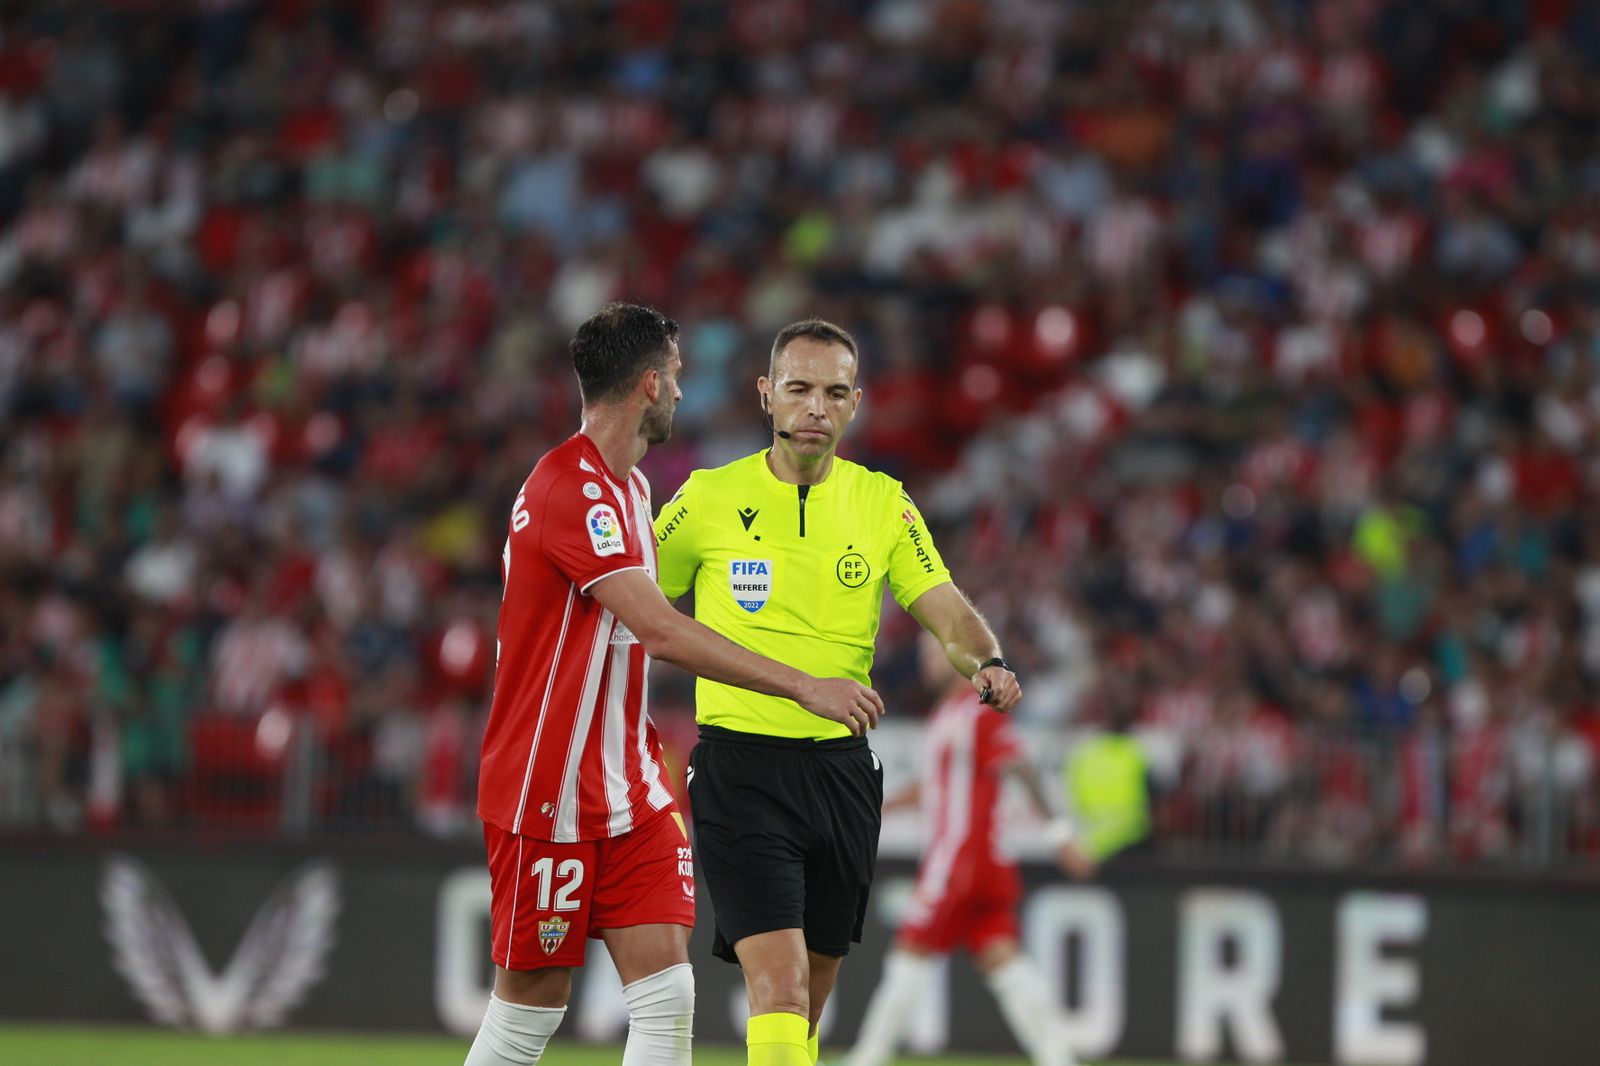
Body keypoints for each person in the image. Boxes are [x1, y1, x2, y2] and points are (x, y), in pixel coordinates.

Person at [467, 304, 885, 1066]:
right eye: (679, 381)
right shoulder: (571, 490)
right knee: (531, 1006)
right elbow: (658, 629)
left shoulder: (630, 492)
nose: (684, 397)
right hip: (548, 785)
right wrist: (802, 684)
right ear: (651, 385)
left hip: (630, 787)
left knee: (667, 998)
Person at [653, 318, 1023, 1066]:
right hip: (740, 769)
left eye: (832, 393)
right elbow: (635, 606)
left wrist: (985, 659)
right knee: (781, 988)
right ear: (766, 395)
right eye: (798, 389)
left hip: (842, 776)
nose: (814, 407)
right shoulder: (707, 500)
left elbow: (944, 607)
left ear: (856, 403)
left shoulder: (882, 503)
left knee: (810, 1001)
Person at [846, 632, 1093, 1066]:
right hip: (980, 862)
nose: (925, 663)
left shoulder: (981, 709)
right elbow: (936, 787)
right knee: (1005, 961)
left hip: (959, 859)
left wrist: (1059, 834)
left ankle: (867, 1058)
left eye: (931, 654)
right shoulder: (948, 714)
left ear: (957, 657)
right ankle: (1059, 1057)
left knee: (909, 953)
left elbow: (1019, 766)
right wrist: (879, 808)